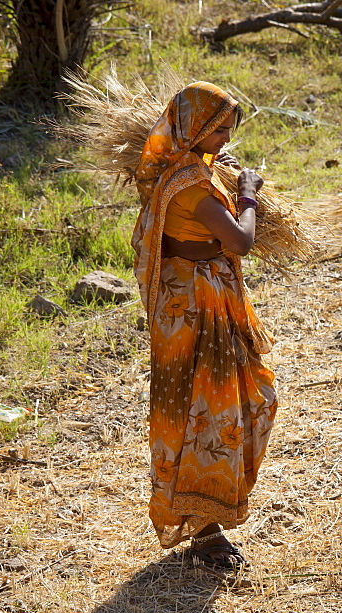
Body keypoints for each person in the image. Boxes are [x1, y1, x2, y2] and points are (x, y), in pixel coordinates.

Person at [132, 81, 277, 570]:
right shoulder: (191, 184)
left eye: (229, 131)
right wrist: (250, 196)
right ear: (195, 128)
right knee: (206, 409)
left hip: (197, 296)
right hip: (191, 305)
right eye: (218, 131)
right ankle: (203, 522)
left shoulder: (187, 168)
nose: (225, 141)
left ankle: (207, 513)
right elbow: (238, 242)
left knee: (224, 403)